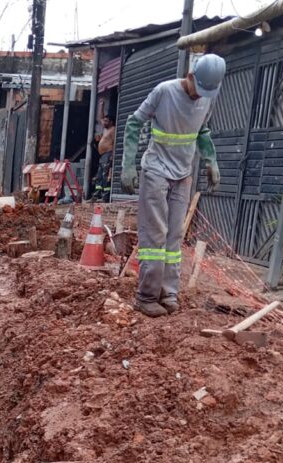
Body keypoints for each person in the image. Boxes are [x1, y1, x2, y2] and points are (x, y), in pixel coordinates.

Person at [121, 54, 225, 317]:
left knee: (174, 236)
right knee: (155, 234)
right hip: (156, 169)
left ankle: (168, 293)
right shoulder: (163, 92)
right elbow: (134, 122)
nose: (198, 96)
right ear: (190, 76)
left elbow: (202, 132)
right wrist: (128, 165)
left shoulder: (207, 98)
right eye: (197, 89)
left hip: (182, 174)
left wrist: (211, 159)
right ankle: (146, 296)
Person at [91, 115, 116, 201]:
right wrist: (102, 105)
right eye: (104, 121)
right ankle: (97, 194)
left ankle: (105, 196)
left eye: (106, 121)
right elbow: (100, 118)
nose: (104, 122)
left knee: (105, 175)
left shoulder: (113, 130)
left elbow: (115, 143)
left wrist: (112, 155)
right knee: (99, 175)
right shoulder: (105, 129)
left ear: (111, 122)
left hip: (107, 154)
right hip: (102, 156)